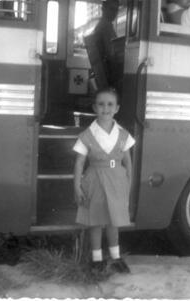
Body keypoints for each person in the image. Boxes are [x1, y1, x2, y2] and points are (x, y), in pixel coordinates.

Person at [73, 88, 135, 274]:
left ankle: (115, 257)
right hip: (95, 180)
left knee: (113, 221)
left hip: (117, 181)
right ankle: (97, 259)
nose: (105, 108)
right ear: (94, 107)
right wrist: (76, 186)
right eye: (101, 104)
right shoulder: (87, 135)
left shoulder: (123, 135)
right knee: (96, 220)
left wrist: (128, 185)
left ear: (116, 108)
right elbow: (79, 162)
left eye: (110, 104)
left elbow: (128, 163)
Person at [93, 0, 119, 86]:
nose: (114, 13)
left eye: (116, 10)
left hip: (103, 72)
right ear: (103, 9)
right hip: (108, 73)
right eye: (112, 9)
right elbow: (111, 53)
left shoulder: (102, 25)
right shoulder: (105, 27)